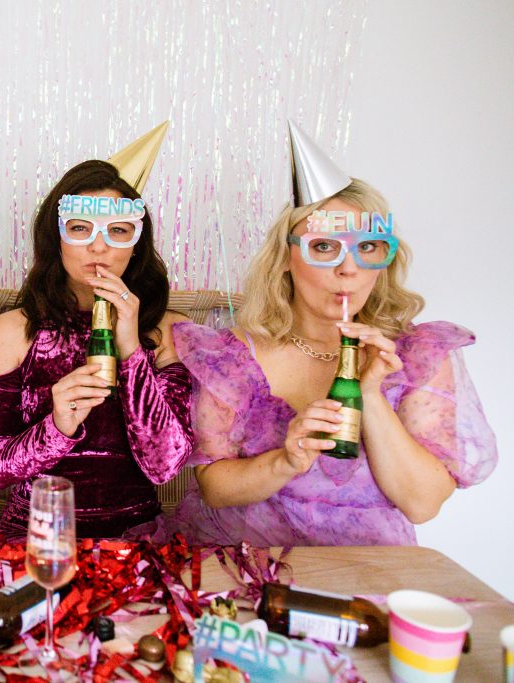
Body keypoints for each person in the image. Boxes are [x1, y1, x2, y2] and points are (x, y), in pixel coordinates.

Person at [155, 125, 496, 546]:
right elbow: (215, 488)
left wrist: (368, 396)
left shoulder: (417, 356)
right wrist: (285, 460)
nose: (348, 269)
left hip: (366, 571)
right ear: (284, 259)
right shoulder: (233, 357)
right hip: (244, 560)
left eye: (368, 247)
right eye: (323, 247)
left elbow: (422, 504)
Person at [0, 127, 194, 541]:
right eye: (81, 229)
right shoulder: (14, 330)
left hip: (137, 540)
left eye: (117, 231)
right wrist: (57, 426)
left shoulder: (168, 331)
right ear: (56, 237)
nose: (99, 248)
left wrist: (130, 347)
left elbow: (165, 466)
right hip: (34, 538)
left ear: (137, 242)